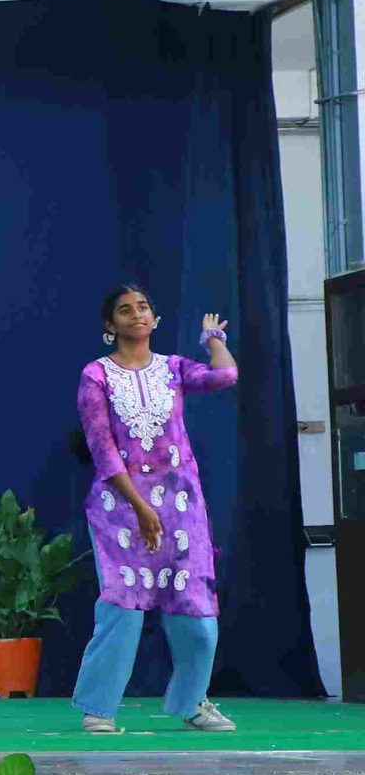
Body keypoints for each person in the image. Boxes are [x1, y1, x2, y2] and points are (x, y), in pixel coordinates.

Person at [73, 286, 239, 733]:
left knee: (195, 610)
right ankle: (99, 708)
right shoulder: (97, 375)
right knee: (123, 608)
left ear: (155, 318)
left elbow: (225, 375)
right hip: (120, 510)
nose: (136, 315)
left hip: (182, 508)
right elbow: (104, 452)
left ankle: (193, 702)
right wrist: (141, 509)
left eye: (143, 307)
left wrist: (213, 340)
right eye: (125, 310)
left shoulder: (173, 369)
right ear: (110, 325)